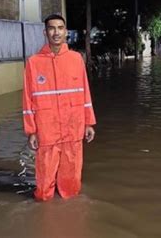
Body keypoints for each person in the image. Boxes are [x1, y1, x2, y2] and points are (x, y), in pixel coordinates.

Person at [22, 14, 96, 201]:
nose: (56, 32)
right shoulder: (33, 62)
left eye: (60, 28)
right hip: (47, 131)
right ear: (45, 32)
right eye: (52, 28)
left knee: (71, 186)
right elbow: (28, 101)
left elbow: (85, 93)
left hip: (73, 129)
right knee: (44, 188)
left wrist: (88, 123)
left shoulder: (76, 59)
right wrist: (31, 131)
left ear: (65, 32)